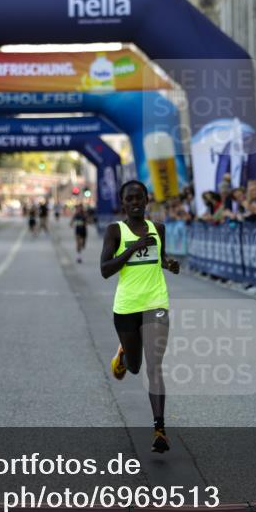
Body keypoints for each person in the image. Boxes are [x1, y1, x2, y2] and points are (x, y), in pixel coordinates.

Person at [100, 180, 180, 453]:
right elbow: (105, 269)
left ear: (147, 200)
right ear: (123, 203)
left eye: (139, 197)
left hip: (156, 302)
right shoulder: (115, 231)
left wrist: (169, 264)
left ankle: (159, 429)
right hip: (126, 307)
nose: (135, 202)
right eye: (129, 198)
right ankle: (123, 355)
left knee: (154, 365)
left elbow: (161, 258)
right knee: (134, 367)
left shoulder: (158, 228)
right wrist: (133, 248)